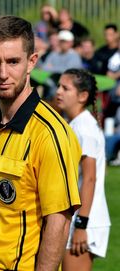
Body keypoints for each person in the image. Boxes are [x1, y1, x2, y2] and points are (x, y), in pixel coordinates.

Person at [0, 15, 82, 271]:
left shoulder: (51, 133)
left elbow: (58, 222)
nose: (3, 74)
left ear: (31, 62)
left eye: (13, 62)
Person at [55, 69, 111, 271]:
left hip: (85, 220)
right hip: (79, 216)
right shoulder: (76, 124)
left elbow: (89, 179)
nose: (58, 91)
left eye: (65, 88)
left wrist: (81, 225)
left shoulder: (84, 128)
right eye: (59, 86)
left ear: (83, 96)